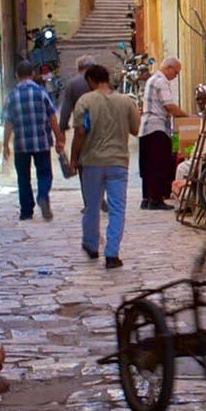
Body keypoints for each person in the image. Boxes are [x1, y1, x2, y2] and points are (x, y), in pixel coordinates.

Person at [69, 63, 138, 268]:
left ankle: (91, 246)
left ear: (90, 81)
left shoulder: (85, 101)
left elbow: (80, 133)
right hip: (118, 162)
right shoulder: (126, 102)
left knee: (92, 206)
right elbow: (135, 129)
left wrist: (74, 157)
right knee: (117, 209)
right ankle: (112, 253)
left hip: (92, 162)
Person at [1, 59, 59, 221]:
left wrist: (6, 144)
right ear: (33, 74)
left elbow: (8, 122)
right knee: (45, 173)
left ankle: (26, 211)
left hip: (21, 144)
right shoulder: (41, 93)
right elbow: (52, 117)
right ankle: (42, 195)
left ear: (17, 75)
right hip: (42, 141)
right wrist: (59, 136)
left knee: (23, 177)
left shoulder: (12, 96)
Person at [139, 56, 186, 209]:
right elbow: (169, 106)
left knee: (147, 165)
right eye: (176, 72)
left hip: (146, 128)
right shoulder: (162, 81)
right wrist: (186, 116)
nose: (175, 76)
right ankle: (156, 199)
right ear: (169, 68)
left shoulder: (152, 80)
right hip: (157, 127)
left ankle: (147, 198)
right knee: (159, 164)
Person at [56, 52, 96, 177]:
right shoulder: (100, 81)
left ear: (79, 68)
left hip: (81, 128)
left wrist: (61, 130)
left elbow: (66, 110)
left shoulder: (73, 84)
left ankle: (88, 192)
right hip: (101, 127)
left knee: (81, 162)